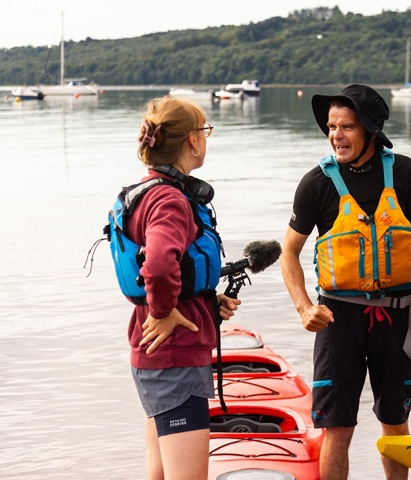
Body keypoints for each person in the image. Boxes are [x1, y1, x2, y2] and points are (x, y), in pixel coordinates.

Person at [280, 84, 411, 480]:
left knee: (395, 424)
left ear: (370, 129)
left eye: (347, 127)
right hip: (338, 320)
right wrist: (304, 306)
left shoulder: (406, 174)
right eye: (331, 126)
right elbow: (288, 253)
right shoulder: (316, 184)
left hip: (397, 317)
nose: (336, 135)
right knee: (337, 428)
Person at [114, 96, 240, 480]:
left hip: (154, 354)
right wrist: (165, 312)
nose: (206, 138)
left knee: (159, 473)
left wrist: (203, 300)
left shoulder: (149, 189)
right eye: (205, 131)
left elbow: (167, 267)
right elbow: (157, 262)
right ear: (191, 140)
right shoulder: (170, 199)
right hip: (174, 359)